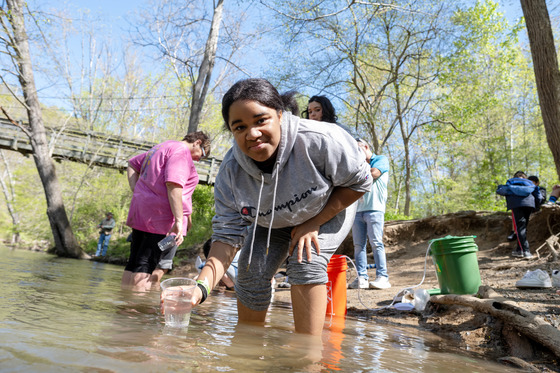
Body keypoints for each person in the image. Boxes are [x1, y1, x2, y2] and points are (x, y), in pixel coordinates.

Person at [192, 78, 372, 335]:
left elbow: (361, 181)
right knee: (249, 270)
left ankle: (307, 354)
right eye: (240, 127)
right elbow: (226, 237)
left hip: (328, 206)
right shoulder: (230, 173)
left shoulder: (321, 140)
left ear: (280, 114)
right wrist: (200, 288)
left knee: (305, 261)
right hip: (272, 220)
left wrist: (313, 223)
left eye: (260, 120)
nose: (252, 134)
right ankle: (247, 350)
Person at [122, 131, 210, 291]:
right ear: (198, 142)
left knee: (135, 261)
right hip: (161, 218)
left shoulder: (162, 147)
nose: (199, 159)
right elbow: (173, 185)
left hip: (143, 212)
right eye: (202, 154)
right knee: (147, 263)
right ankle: (134, 310)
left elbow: (132, 164)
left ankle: (124, 304)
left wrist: (138, 191)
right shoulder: (181, 152)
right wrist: (178, 220)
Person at [349, 138, 391, 289]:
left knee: (376, 243)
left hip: (375, 209)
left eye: (358, 150)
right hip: (357, 211)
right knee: (358, 245)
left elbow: (374, 174)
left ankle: (383, 277)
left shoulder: (380, 160)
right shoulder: (357, 165)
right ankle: (362, 278)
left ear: (365, 146)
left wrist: (356, 177)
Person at [496, 171, 542, 259]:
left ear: (515, 177)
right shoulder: (529, 183)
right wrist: (536, 206)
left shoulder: (511, 182)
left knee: (519, 228)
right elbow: (539, 196)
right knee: (523, 227)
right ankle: (519, 250)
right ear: (525, 177)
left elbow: (501, 191)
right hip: (529, 204)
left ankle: (525, 251)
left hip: (516, 205)